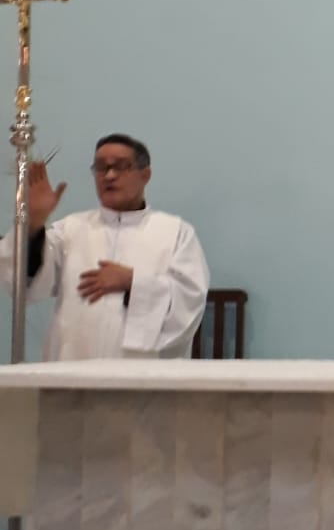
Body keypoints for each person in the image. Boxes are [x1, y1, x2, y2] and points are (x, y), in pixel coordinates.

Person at [0, 134, 210, 361]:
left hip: (142, 373)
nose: (109, 175)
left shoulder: (175, 233)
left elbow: (190, 301)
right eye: (101, 167)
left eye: (120, 166)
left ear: (145, 174)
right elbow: (24, 281)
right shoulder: (70, 229)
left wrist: (132, 282)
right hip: (74, 367)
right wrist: (34, 223)